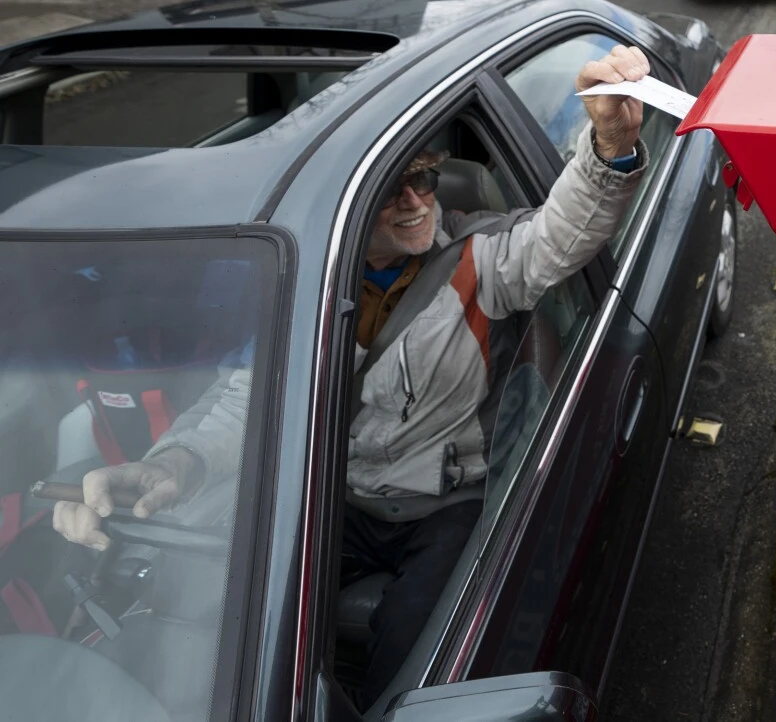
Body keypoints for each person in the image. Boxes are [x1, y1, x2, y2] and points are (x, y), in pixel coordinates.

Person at [51, 46, 654, 706]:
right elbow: (249, 397)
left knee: (412, 649)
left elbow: (562, 236)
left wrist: (611, 144)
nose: (418, 201)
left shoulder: (479, 260)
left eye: (426, 179)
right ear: (348, 211)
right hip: (338, 496)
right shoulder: (307, 277)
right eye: (394, 190)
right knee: (217, 609)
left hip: (446, 506)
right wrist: (175, 466)